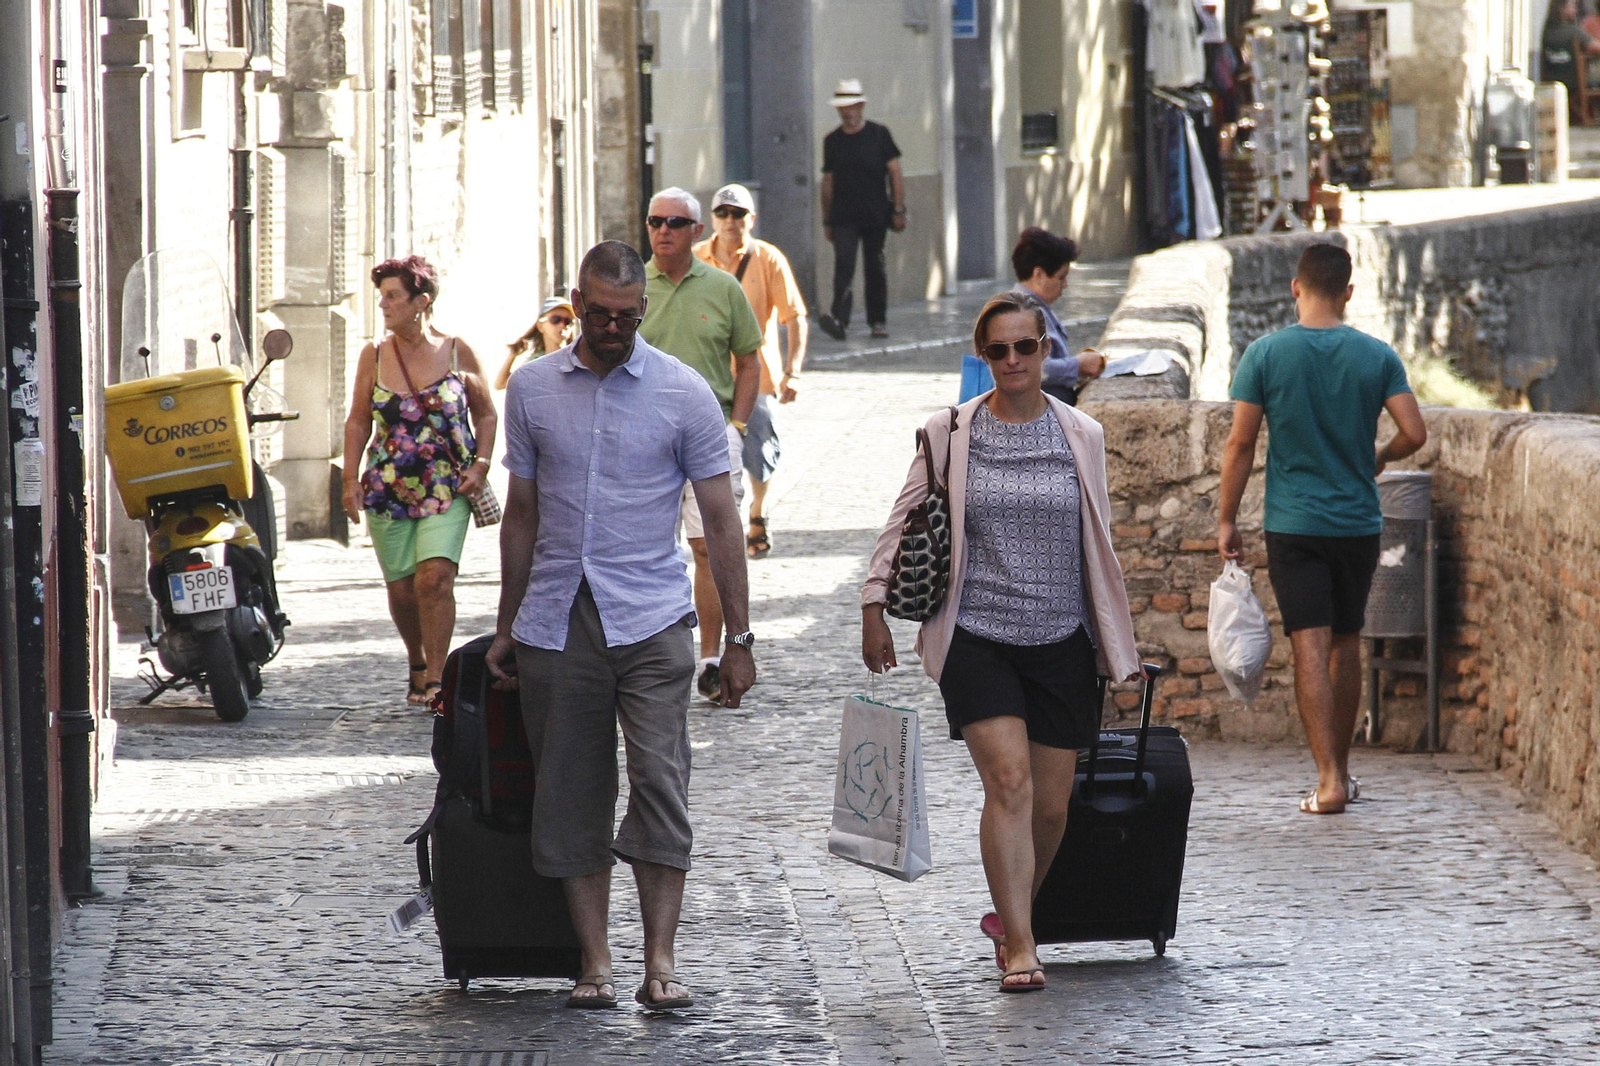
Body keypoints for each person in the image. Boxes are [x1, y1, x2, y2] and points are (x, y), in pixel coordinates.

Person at [486, 240, 755, 1013]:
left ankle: (661, 963)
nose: (611, 328)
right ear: (576, 301)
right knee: (570, 788)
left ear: (643, 310)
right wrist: (506, 628)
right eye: (598, 315)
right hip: (557, 616)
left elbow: (720, 522)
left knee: (661, 781)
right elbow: (523, 517)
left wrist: (737, 639)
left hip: (653, 615)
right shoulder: (533, 391)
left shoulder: (683, 393)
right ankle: (595, 963)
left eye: (626, 317)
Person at [861, 292, 1141, 993]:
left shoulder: (1082, 434)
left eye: (1024, 347)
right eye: (997, 350)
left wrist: (1118, 648)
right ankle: (1020, 943)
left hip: (1060, 638)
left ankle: (1014, 911)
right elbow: (902, 520)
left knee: (1051, 806)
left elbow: (1098, 546)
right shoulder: (951, 432)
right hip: (976, 632)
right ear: (982, 356)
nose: (1012, 361)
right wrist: (873, 602)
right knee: (1009, 783)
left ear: (1046, 350)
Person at [1217, 243, 1427, 815]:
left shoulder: (1264, 354)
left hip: (1294, 524)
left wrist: (1227, 517)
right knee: (1345, 642)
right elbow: (1415, 432)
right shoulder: (1376, 355)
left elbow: (1240, 443)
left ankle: (1327, 778)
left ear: (1295, 287)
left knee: (1308, 644)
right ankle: (1345, 773)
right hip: (1357, 523)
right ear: (1349, 292)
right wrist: (1379, 457)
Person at [341, 255, 497, 704]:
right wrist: (349, 481)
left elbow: (486, 413)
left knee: (434, 580)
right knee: (404, 591)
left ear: (421, 302)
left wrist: (481, 464)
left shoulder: (456, 350)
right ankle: (417, 657)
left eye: (393, 296)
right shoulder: (373, 355)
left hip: (448, 486)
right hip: (388, 487)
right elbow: (357, 421)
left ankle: (437, 675)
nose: (384, 305)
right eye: (382, 297)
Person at [638, 187, 764, 703]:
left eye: (675, 222)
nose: (663, 230)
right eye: (654, 221)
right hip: (642, 436)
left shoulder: (722, 287)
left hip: (712, 433)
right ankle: (651, 655)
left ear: (696, 231)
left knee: (710, 548)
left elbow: (750, 358)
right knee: (646, 550)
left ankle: (711, 657)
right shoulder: (632, 287)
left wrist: (737, 425)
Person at [693, 183, 809, 558]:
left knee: (758, 451)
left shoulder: (767, 258)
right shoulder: (695, 258)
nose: (730, 221)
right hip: (706, 376)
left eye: (738, 213)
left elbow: (795, 317)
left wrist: (792, 372)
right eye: (723, 213)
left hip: (756, 376)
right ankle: (720, 521)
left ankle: (758, 508)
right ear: (712, 219)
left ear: (751, 219)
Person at [817, 79, 905, 341]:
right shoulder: (832, 141)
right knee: (844, 264)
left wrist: (899, 209)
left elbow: (896, 173)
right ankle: (840, 320)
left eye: (852, 106)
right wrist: (827, 219)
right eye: (842, 107)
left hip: (876, 213)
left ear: (861, 106)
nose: (848, 112)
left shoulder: (880, 134)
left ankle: (877, 320)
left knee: (875, 266)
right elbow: (828, 180)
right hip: (843, 215)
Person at [1007, 227, 1107, 405]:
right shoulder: (1021, 312)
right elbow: (1029, 366)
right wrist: (1078, 365)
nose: (1065, 285)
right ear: (1039, 275)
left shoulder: (1036, 307)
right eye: (1061, 278)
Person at [493, 296, 577, 389]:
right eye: (555, 319)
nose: (562, 325)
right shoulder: (535, 362)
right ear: (540, 326)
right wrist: (512, 356)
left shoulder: (577, 360)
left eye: (568, 322)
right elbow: (500, 384)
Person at [1542, 0, 1600, 123]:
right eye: (1572, 6)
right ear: (1562, 9)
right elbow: (1595, 47)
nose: (1576, 9)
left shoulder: (1546, 32)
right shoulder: (1573, 31)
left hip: (1553, 77)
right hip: (1576, 79)